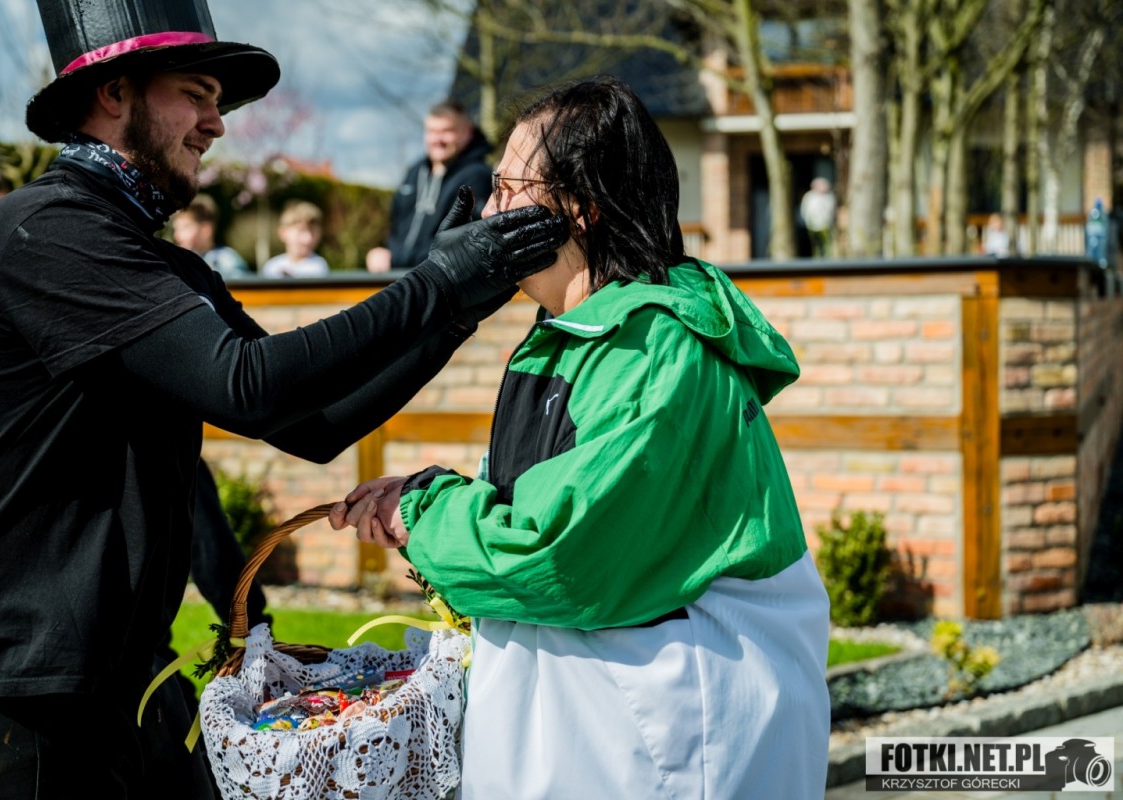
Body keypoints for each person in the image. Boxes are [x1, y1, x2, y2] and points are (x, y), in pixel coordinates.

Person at [0, 0, 568, 795]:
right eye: (195, 94)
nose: (216, 123)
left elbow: (312, 426)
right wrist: (435, 283)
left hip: (114, 680)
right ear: (113, 93)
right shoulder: (45, 231)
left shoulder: (157, 263)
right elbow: (249, 384)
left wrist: (454, 313)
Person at [330, 75, 831, 798]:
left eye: (508, 190)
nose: (489, 213)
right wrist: (426, 499)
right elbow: (540, 504)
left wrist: (421, 512)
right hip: (591, 724)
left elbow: (560, 553)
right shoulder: (573, 333)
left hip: (666, 735)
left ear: (582, 210)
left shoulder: (652, 346)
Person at [366, 100, 494, 273]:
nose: (438, 140)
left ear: (467, 133)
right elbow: (396, 227)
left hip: (441, 279)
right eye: (432, 131)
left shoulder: (477, 176)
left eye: (447, 131)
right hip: (399, 278)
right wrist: (382, 252)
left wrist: (397, 260)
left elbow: (466, 241)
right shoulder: (414, 172)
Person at [171, 192, 251, 278]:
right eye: (176, 229)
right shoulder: (176, 261)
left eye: (185, 227)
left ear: (206, 230)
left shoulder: (226, 261)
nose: (177, 236)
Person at [260, 199, 330, 277]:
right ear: (283, 233)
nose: (308, 239)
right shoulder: (272, 266)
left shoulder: (319, 266)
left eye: (313, 232)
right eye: (301, 231)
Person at [801, 175, 837, 258]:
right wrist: (808, 221)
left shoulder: (829, 197)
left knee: (826, 244)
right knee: (815, 245)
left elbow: (831, 211)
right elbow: (805, 210)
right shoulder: (809, 196)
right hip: (812, 226)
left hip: (826, 225)